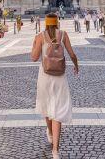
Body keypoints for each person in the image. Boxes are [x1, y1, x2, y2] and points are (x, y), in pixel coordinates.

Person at [32, 14, 79, 159]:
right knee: (57, 111)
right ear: (57, 23)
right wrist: (76, 66)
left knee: (46, 106)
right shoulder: (64, 35)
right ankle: (55, 152)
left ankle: (50, 131)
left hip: (45, 76)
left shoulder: (40, 36)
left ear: (45, 24)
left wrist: (35, 44)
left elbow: (33, 58)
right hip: (59, 76)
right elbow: (72, 54)